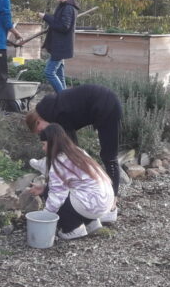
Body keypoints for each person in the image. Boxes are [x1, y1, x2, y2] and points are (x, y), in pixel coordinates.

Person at [25, 83, 122, 223]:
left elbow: (70, 150)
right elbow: (71, 150)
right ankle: (98, 201)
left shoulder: (56, 114)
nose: (43, 134)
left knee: (109, 156)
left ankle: (112, 206)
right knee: (99, 157)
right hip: (104, 101)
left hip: (107, 107)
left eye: (39, 131)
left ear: (38, 121)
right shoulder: (51, 108)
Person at [29, 124, 116, 240]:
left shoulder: (59, 162)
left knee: (55, 197)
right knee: (69, 193)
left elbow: (56, 197)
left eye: (44, 144)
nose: (43, 148)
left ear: (52, 143)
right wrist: (44, 188)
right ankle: (92, 223)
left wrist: (44, 218)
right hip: (105, 201)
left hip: (92, 204)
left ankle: (73, 229)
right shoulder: (77, 152)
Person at [41, 0, 79, 93]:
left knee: (49, 72)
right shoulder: (63, 6)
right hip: (59, 46)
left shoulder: (68, 8)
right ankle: (66, 100)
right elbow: (58, 23)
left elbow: (63, 27)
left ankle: (63, 99)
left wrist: (46, 17)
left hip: (60, 47)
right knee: (59, 74)